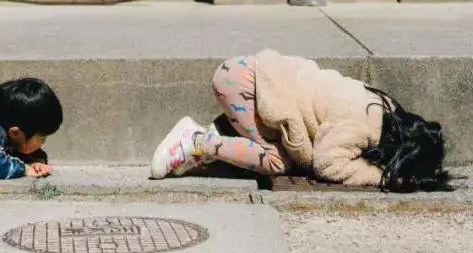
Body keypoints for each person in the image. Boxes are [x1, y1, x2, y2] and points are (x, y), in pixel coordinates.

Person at [149, 51, 448, 192]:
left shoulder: (383, 108)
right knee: (278, 163)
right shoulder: (361, 127)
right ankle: (198, 143)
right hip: (243, 86)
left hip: (244, 75)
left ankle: (220, 134)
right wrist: (377, 176)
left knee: (282, 143)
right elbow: (327, 164)